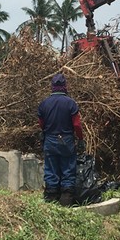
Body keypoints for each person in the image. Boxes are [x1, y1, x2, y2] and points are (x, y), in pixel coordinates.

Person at [38, 73, 86, 206]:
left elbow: (41, 123)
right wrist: (80, 139)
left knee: (51, 167)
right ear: (65, 86)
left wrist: (45, 132)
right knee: (68, 168)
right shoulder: (70, 103)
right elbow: (76, 124)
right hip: (66, 140)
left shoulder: (44, 104)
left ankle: (51, 198)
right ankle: (66, 199)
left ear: (52, 86)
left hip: (50, 140)